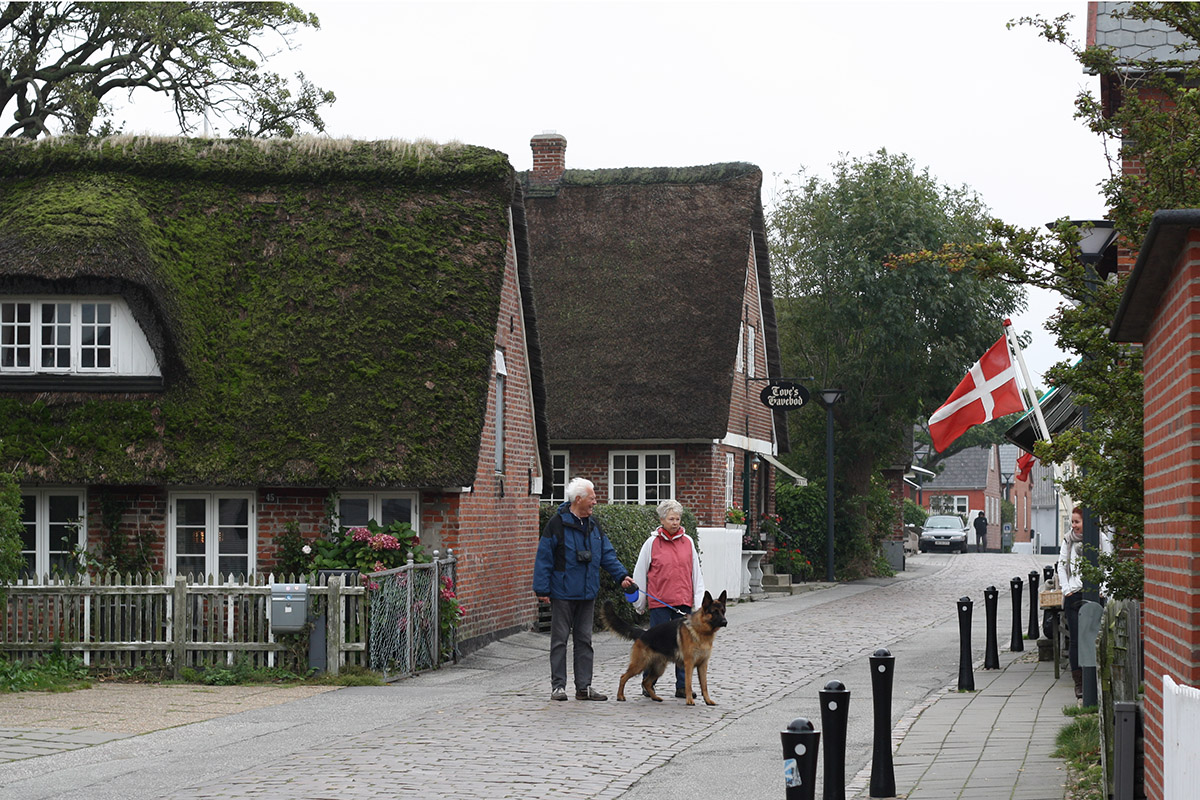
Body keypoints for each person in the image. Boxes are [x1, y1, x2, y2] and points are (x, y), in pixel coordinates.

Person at [533, 477, 635, 702]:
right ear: (578, 499)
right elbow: (544, 558)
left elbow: (606, 554)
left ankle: (584, 688)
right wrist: (542, 589)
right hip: (562, 592)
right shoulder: (556, 525)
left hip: (587, 592)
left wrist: (621, 576)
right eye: (592, 498)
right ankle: (558, 687)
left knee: (584, 641)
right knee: (559, 640)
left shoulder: (594, 525)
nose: (595, 502)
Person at [630, 498, 706, 699]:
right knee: (655, 645)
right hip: (660, 602)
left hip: (682, 602)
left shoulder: (688, 542)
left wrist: (698, 604)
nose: (675, 522)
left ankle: (683, 686)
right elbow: (640, 573)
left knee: (686, 647)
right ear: (662, 520)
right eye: (671, 519)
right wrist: (640, 602)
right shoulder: (652, 543)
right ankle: (649, 683)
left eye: (678, 519)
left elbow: (696, 574)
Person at [1058, 507, 1085, 699]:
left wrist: (1104, 589)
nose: (1074, 526)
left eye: (1077, 522)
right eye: (1072, 522)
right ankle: (1079, 681)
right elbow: (1062, 565)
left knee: (1091, 638)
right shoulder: (1068, 540)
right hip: (1073, 595)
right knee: (1075, 639)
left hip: (1093, 595)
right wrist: (1067, 590)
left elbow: (1108, 564)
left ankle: (1093, 675)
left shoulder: (1099, 539)